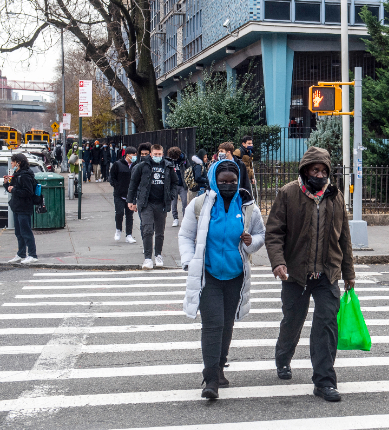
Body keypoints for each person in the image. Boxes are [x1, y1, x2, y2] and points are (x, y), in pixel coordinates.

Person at [265, 146, 355, 403]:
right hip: (296, 275)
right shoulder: (288, 193)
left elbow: (344, 237)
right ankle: (283, 357)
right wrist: (278, 263)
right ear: (305, 171)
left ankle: (324, 382)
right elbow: (274, 232)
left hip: (327, 275)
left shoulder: (334, 196)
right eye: (314, 170)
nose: (319, 174)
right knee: (293, 321)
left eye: (323, 170)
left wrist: (349, 272)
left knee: (326, 327)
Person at [180, 160, 266, 399]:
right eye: (222, 181)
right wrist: (189, 260)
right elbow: (186, 235)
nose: (228, 185)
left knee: (227, 324)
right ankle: (209, 379)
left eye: (232, 181)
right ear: (213, 182)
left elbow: (260, 233)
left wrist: (252, 242)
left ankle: (219, 368)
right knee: (212, 325)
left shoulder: (248, 206)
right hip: (209, 276)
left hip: (236, 276)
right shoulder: (199, 205)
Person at [127, 144, 178, 269]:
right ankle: (148, 258)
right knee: (147, 229)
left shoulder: (168, 166)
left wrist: (172, 195)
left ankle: (158, 255)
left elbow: (175, 182)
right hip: (146, 203)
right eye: (155, 154)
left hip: (161, 202)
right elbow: (133, 184)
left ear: (163, 154)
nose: (157, 156)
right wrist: (131, 200)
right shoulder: (142, 166)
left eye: (159, 154)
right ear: (151, 154)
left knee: (160, 232)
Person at [4, 153, 38, 265]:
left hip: (24, 207)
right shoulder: (17, 173)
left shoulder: (25, 175)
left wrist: (13, 189)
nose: (12, 164)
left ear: (18, 163)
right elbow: (11, 188)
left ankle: (32, 255)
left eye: (13, 162)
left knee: (26, 232)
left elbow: (28, 192)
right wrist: (6, 185)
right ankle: (21, 253)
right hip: (17, 207)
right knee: (19, 232)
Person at [109, 146, 138, 244]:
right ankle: (118, 230)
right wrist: (117, 186)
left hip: (131, 195)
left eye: (135, 155)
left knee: (129, 215)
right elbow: (112, 177)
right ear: (127, 155)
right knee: (119, 212)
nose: (134, 157)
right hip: (119, 194)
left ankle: (129, 235)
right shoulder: (118, 164)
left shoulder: (136, 165)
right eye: (133, 155)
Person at [167, 146, 188, 227]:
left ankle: (185, 218)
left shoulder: (184, 160)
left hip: (183, 184)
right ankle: (175, 219)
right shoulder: (169, 161)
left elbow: (188, 168)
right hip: (174, 185)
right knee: (174, 203)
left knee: (184, 203)